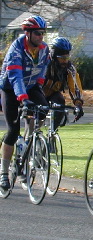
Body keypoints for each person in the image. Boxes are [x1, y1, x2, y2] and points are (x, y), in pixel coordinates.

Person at [0, 15, 50, 190]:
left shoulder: (44, 48)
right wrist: (23, 98)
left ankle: (28, 142)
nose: (41, 37)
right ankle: (4, 173)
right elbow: (15, 77)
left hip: (31, 86)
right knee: (13, 131)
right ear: (27, 33)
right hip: (11, 89)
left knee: (45, 109)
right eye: (37, 33)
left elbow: (44, 68)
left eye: (43, 33)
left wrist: (40, 85)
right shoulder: (16, 49)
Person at [42, 37, 84, 129]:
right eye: (62, 58)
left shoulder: (69, 68)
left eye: (67, 57)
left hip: (53, 93)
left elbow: (75, 86)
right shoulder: (44, 64)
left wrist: (78, 104)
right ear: (53, 55)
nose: (65, 60)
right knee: (39, 117)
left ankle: (53, 132)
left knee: (60, 102)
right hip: (39, 92)